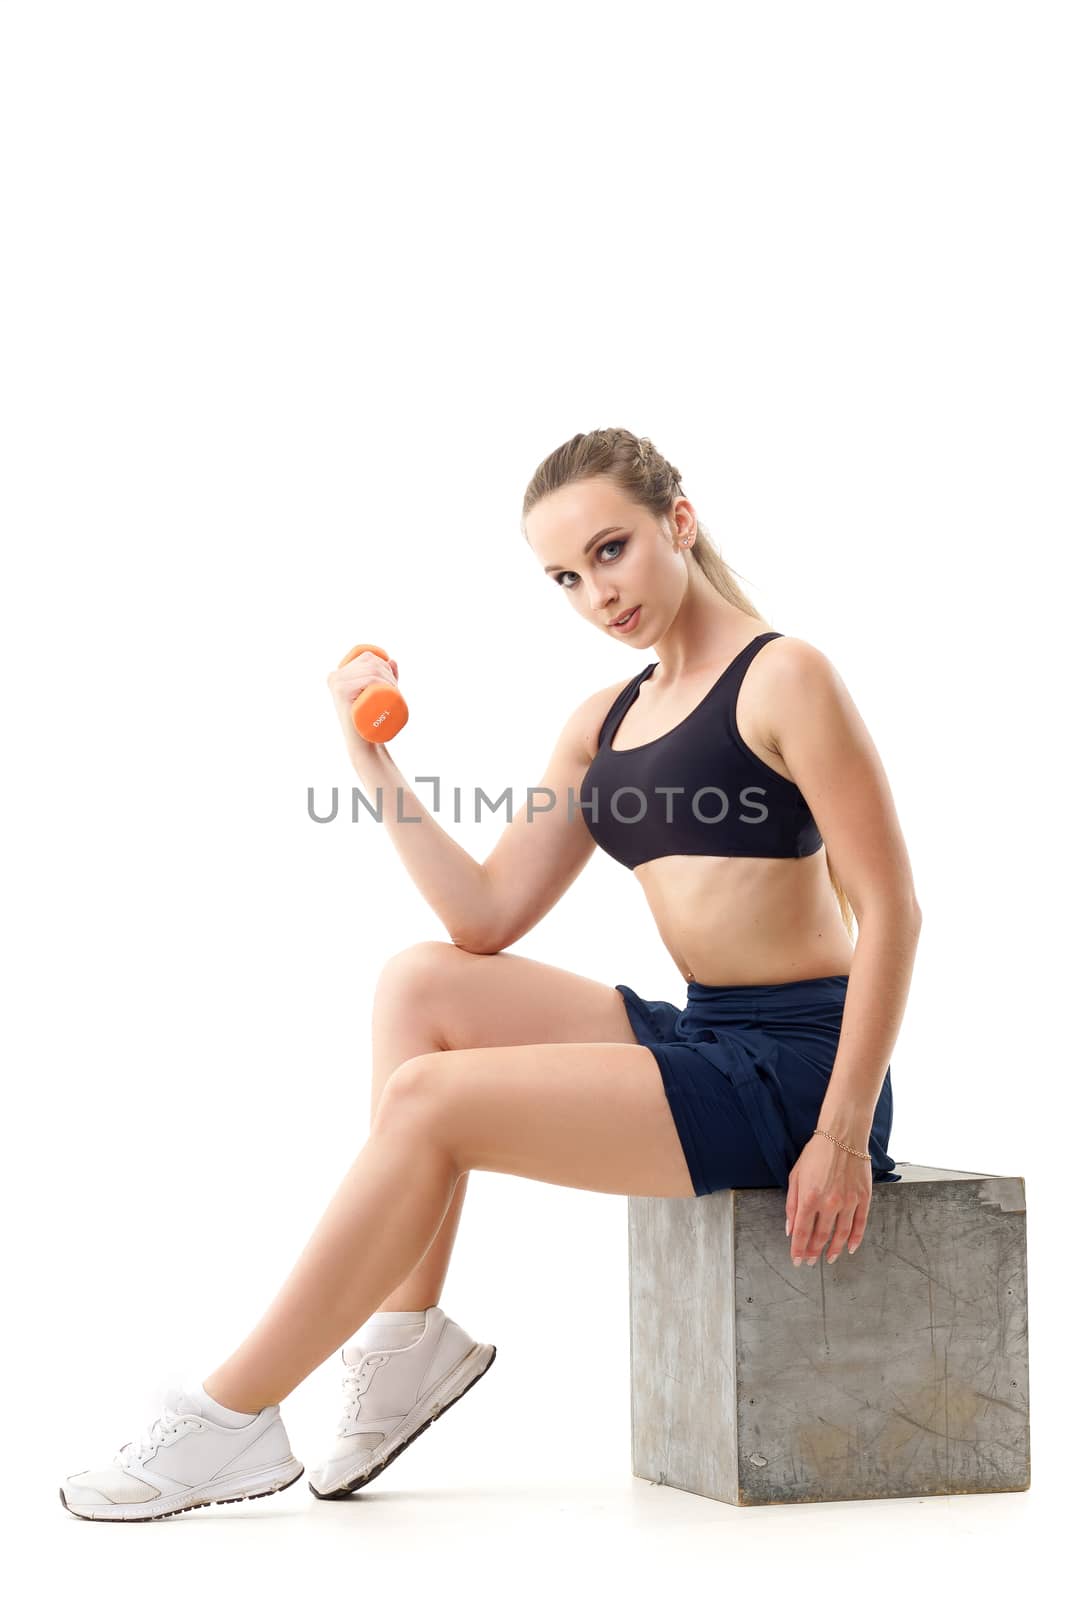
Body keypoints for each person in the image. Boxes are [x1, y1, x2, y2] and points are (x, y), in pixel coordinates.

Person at [59, 425, 921, 1521]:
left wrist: (841, 1133)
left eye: (610, 551)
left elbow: (890, 907)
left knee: (430, 1102)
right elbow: (483, 914)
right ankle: (405, 1339)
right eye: (565, 576)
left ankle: (229, 1416)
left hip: (800, 1070)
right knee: (419, 982)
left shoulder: (783, 675)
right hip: (705, 1035)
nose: (595, 594)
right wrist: (369, 759)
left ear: (679, 522)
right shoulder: (602, 722)